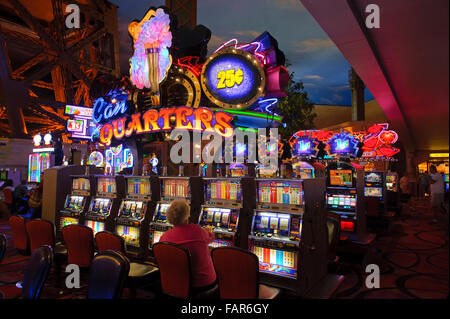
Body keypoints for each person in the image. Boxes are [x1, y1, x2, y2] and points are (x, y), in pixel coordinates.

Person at [160, 200, 217, 293]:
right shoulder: (198, 231)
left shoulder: (164, 238)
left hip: (177, 284)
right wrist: (209, 231)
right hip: (203, 283)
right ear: (187, 215)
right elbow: (211, 238)